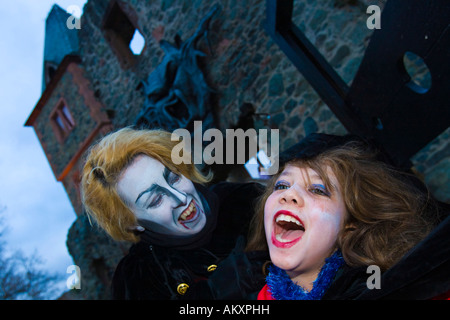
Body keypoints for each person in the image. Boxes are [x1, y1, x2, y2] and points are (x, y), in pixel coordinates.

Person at [246, 133, 449, 300]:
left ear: (349, 223)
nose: (288, 194)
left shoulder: (399, 288)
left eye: (318, 190)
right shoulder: (261, 294)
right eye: (281, 185)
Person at [80, 127, 269, 299]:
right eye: (155, 200)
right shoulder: (139, 278)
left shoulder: (246, 200)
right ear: (132, 222)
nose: (181, 198)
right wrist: (211, 294)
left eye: (174, 178)